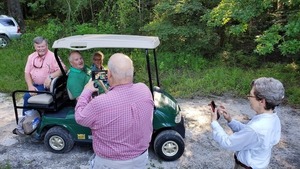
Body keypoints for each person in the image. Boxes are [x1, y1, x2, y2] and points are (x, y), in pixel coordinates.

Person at [75, 53, 154, 169]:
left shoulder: (99, 103)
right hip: (141, 158)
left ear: (109, 74)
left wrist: (86, 92)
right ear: (132, 72)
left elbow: (80, 117)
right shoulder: (144, 90)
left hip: (111, 163)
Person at [210, 77, 285, 169]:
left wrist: (214, 122)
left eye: (250, 96)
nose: (248, 98)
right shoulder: (272, 118)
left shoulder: (256, 128)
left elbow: (228, 142)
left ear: (262, 101)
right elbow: (248, 134)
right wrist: (230, 120)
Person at [23, 36, 66, 115]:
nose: (41, 49)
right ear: (35, 47)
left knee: (26, 96)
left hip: (47, 86)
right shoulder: (31, 57)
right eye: (38, 47)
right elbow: (27, 73)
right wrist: (30, 86)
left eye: (43, 46)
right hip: (36, 85)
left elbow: (63, 69)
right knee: (29, 92)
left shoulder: (53, 56)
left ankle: (26, 119)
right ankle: (29, 117)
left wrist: (50, 76)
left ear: (47, 46)